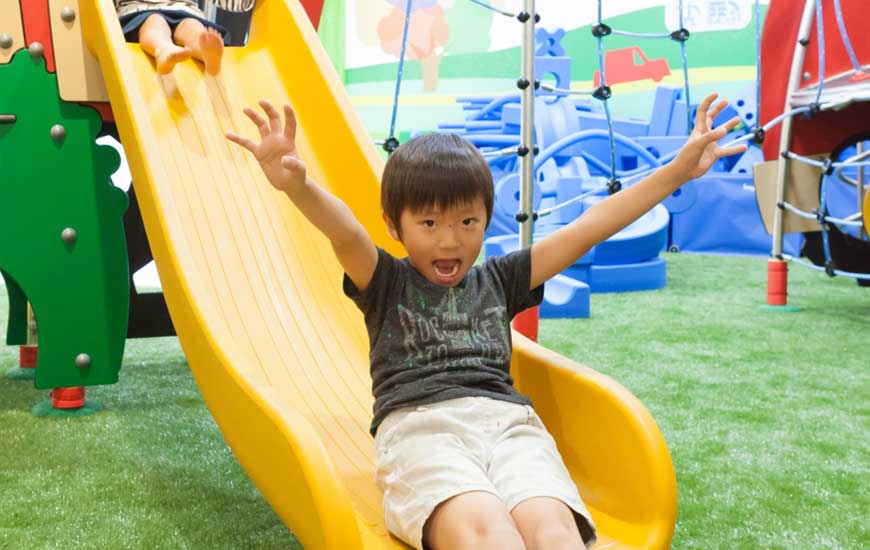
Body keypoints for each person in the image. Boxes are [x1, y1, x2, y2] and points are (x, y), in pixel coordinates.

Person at [226, 94, 746, 549]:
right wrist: (298, 187)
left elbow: (590, 228)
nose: (449, 240)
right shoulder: (385, 281)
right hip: (421, 428)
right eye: (428, 224)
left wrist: (676, 171)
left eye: (467, 222)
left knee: (554, 535)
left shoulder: (499, 280)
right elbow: (344, 234)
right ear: (395, 225)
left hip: (508, 427)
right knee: (488, 535)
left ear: (485, 218)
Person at [114, 0, 229, 75]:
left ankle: (207, 55)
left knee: (191, 26)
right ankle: (163, 49)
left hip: (185, 10)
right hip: (139, 10)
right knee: (154, 23)